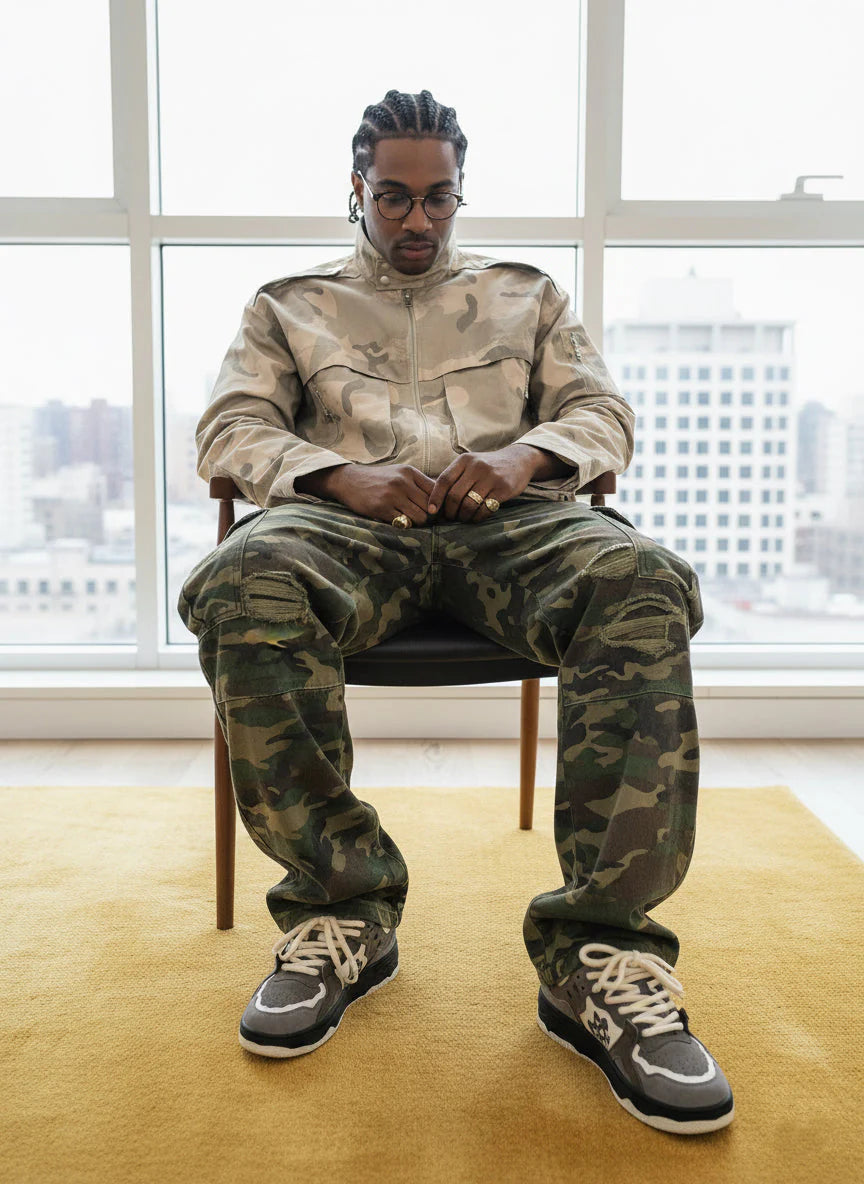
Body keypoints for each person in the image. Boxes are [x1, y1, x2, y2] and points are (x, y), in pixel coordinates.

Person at [177, 88, 733, 1135]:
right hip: (352, 533)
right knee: (240, 583)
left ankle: (599, 953)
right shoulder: (286, 303)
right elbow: (231, 430)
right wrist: (340, 477)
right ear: (358, 190)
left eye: (438, 198)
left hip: (512, 528)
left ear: (459, 193)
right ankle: (343, 911)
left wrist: (524, 455)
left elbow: (601, 413)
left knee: (643, 581)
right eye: (394, 196)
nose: (418, 220)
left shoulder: (530, 295)